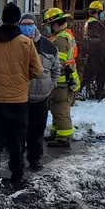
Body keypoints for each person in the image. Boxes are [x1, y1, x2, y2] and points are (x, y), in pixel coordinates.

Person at [0, 2, 43, 194]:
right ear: (17, 20)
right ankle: (16, 179)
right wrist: (20, 80)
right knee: (16, 142)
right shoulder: (26, 43)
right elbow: (37, 70)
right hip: (18, 101)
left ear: (2, 18)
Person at [19, 13, 61, 171]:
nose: (27, 27)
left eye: (30, 23)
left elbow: (56, 69)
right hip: (20, 97)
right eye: (24, 24)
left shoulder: (48, 45)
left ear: (35, 25)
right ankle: (17, 160)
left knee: (37, 132)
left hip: (41, 97)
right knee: (19, 131)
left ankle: (34, 160)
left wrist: (51, 84)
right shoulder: (15, 44)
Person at [43, 8, 81, 148]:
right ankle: (56, 133)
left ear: (55, 24)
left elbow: (59, 63)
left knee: (60, 109)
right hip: (65, 79)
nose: (48, 28)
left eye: (49, 25)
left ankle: (63, 138)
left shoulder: (60, 39)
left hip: (62, 81)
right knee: (56, 108)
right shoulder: (65, 34)